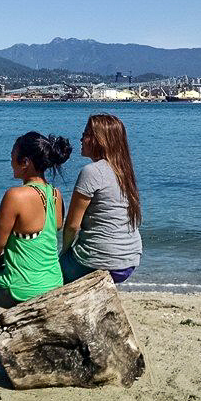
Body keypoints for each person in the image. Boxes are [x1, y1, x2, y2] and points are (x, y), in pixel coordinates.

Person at [0, 131, 72, 367]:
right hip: (52, 283)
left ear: (25, 162)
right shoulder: (56, 195)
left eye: (12, 157)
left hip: (22, 290)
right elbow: (56, 227)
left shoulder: (15, 196)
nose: (10, 162)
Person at [60, 114, 142, 284]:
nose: (81, 138)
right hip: (129, 260)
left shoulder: (92, 171)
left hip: (101, 261)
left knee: (51, 274)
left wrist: (64, 253)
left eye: (86, 134)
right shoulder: (124, 170)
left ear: (100, 140)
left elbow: (72, 226)